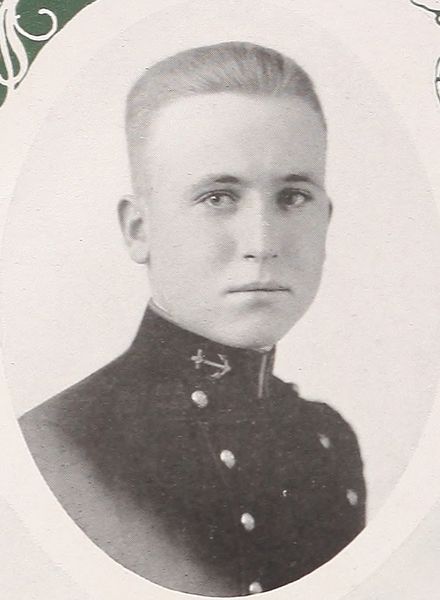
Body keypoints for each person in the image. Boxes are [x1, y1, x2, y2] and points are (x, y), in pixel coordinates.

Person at [19, 41, 366, 597]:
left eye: (293, 197)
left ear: (326, 218)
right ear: (139, 230)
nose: (262, 243)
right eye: (218, 197)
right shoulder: (54, 449)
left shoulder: (327, 439)